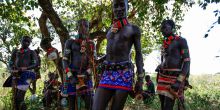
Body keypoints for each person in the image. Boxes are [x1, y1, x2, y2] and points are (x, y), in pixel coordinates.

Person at [92, 0, 144, 109]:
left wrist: (140, 79)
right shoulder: (110, 30)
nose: (119, 8)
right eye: (116, 6)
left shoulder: (133, 29)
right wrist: (99, 60)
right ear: (112, 8)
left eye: (122, 5)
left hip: (124, 73)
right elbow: (110, 52)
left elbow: (139, 55)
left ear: (127, 7)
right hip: (107, 73)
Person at [156, 19, 190, 110]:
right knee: (163, 106)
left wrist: (179, 81)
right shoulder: (164, 44)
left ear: (172, 27)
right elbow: (165, 60)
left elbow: (187, 61)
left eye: (164, 27)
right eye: (161, 28)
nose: (162, 29)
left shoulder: (181, 41)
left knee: (168, 106)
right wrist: (160, 65)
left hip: (174, 78)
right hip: (162, 76)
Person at [62, 19, 95, 110]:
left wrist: (86, 74)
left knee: (90, 103)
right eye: (81, 25)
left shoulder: (91, 44)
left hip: (86, 76)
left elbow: (93, 63)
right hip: (72, 75)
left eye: (86, 26)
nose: (84, 28)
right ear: (77, 27)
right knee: (71, 105)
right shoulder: (70, 42)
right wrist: (70, 76)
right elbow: (64, 60)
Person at [6, 36, 38, 110]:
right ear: (21, 41)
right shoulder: (15, 51)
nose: (26, 43)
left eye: (28, 42)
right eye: (25, 41)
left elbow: (35, 64)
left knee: (19, 97)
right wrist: (11, 69)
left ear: (30, 43)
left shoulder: (32, 52)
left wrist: (26, 68)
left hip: (27, 74)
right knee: (15, 98)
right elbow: (10, 62)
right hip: (15, 75)